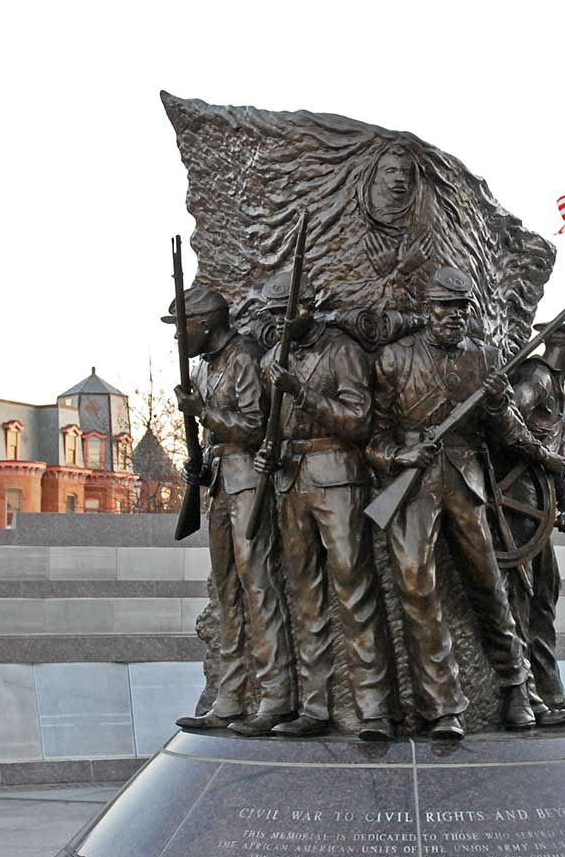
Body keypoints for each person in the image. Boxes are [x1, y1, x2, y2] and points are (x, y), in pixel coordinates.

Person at [368, 266, 557, 739]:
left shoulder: (485, 358)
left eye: (461, 308)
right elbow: (371, 437)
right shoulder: (393, 359)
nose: (453, 316)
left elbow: (506, 433)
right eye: (444, 307)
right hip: (411, 485)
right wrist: (398, 454)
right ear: (427, 310)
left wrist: (496, 405)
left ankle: (517, 686)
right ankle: (443, 704)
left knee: (489, 585)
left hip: (467, 481)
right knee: (415, 586)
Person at [253, 271, 394, 740]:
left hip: (338, 476)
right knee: (305, 596)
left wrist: (301, 392)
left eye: (286, 313)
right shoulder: (274, 357)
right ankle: (315, 708)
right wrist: (267, 449)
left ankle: (374, 710)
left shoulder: (344, 351)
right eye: (273, 315)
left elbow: (358, 421)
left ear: (308, 308)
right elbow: (268, 425)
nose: (279, 323)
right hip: (290, 481)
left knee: (354, 591)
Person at [162, 284, 296, 736]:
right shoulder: (201, 368)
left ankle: (276, 697)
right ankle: (229, 696)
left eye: (182, 328)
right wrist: (197, 464)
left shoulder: (242, 357)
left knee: (259, 588)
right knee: (228, 595)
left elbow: (257, 427)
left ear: (205, 323)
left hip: (248, 484)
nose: (180, 339)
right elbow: (214, 435)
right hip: (220, 483)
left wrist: (203, 413)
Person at [503, 320, 565, 720]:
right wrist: (539, 455)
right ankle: (527, 699)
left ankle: (553, 695)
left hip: (540, 510)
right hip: (513, 508)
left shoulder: (562, 398)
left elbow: (560, 461)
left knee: (545, 599)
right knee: (520, 604)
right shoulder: (535, 379)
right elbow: (502, 421)